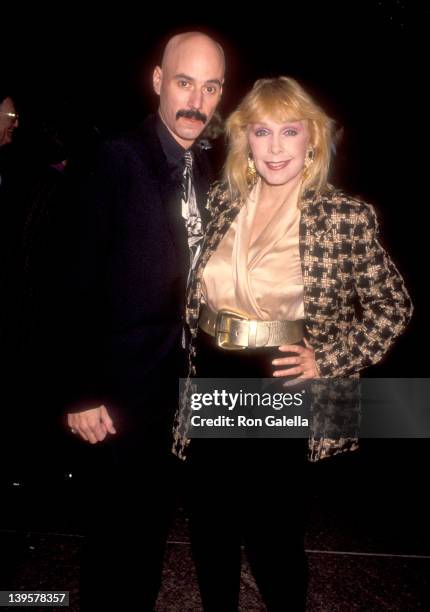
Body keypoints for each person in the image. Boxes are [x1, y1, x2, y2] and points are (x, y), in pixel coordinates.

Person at [173, 76, 413, 611]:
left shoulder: (343, 216)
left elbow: (392, 307)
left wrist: (327, 358)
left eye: (289, 131)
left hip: (281, 376)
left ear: (312, 141)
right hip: (214, 368)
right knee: (210, 525)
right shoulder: (221, 201)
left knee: (272, 534)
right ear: (245, 140)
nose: (275, 147)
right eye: (261, 132)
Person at [63, 32, 225, 611]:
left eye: (210, 88)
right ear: (158, 80)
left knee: (151, 537)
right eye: (184, 83)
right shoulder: (114, 160)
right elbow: (67, 282)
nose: (196, 102)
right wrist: (80, 391)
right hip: (121, 391)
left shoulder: (207, 166)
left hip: (185, 393)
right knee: (115, 544)